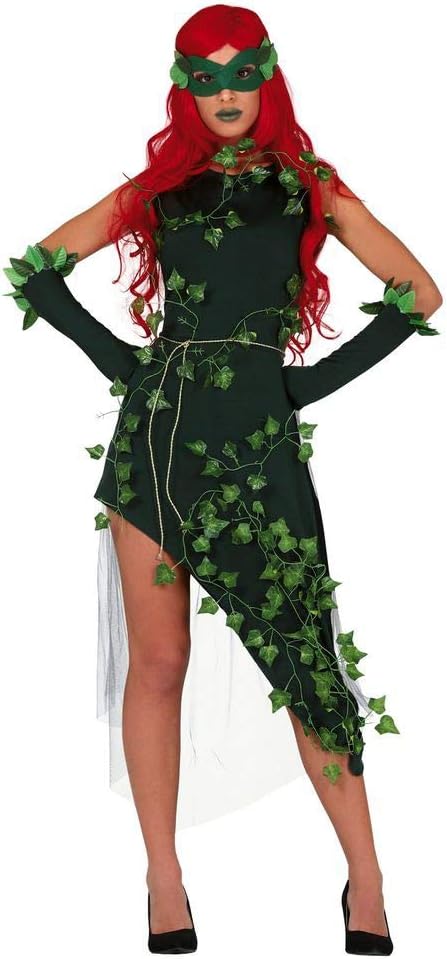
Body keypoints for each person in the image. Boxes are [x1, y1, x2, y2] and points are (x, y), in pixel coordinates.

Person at [4, 4, 442, 955]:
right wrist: (126, 368)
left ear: (268, 78)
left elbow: (418, 291)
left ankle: (366, 878)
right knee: (159, 663)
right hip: (156, 448)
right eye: (206, 78)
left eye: (243, 73)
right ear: (184, 90)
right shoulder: (160, 187)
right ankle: (163, 875)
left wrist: (301, 385)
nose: (227, 92)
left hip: (257, 452)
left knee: (305, 661)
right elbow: (36, 269)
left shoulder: (307, 184)